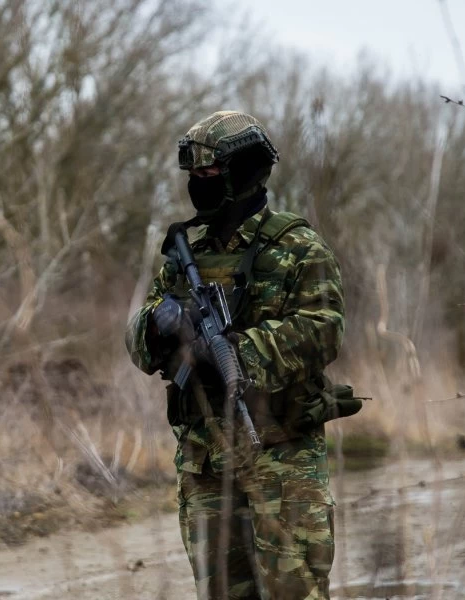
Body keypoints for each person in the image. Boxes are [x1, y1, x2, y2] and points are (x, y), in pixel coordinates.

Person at [126, 111, 352, 599]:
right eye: (194, 176)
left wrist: (233, 351)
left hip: (282, 455)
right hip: (204, 461)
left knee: (296, 592)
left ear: (244, 172)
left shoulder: (298, 248)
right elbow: (139, 346)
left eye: (210, 174)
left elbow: (323, 332)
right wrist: (164, 323)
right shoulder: (184, 252)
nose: (198, 184)